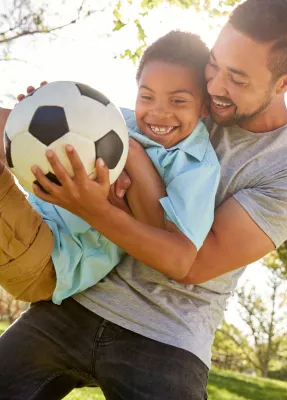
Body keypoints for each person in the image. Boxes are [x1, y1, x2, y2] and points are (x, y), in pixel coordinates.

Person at [0, 0, 287, 399]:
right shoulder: (177, 99)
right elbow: (91, 134)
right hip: (78, 296)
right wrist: (35, 118)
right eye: (215, 65)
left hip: (167, 333)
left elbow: (190, 265)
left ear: (286, 82)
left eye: (237, 79)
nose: (216, 87)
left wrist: (98, 205)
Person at [0, 31, 220, 305]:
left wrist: (132, 156)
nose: (158, 113)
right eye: (147, 97)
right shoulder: (112, 118)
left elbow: (178, 259)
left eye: (178, 101)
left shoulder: (196, 165)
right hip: (30, 214)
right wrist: (31, 114)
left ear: (204, 107)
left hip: (53, 258)